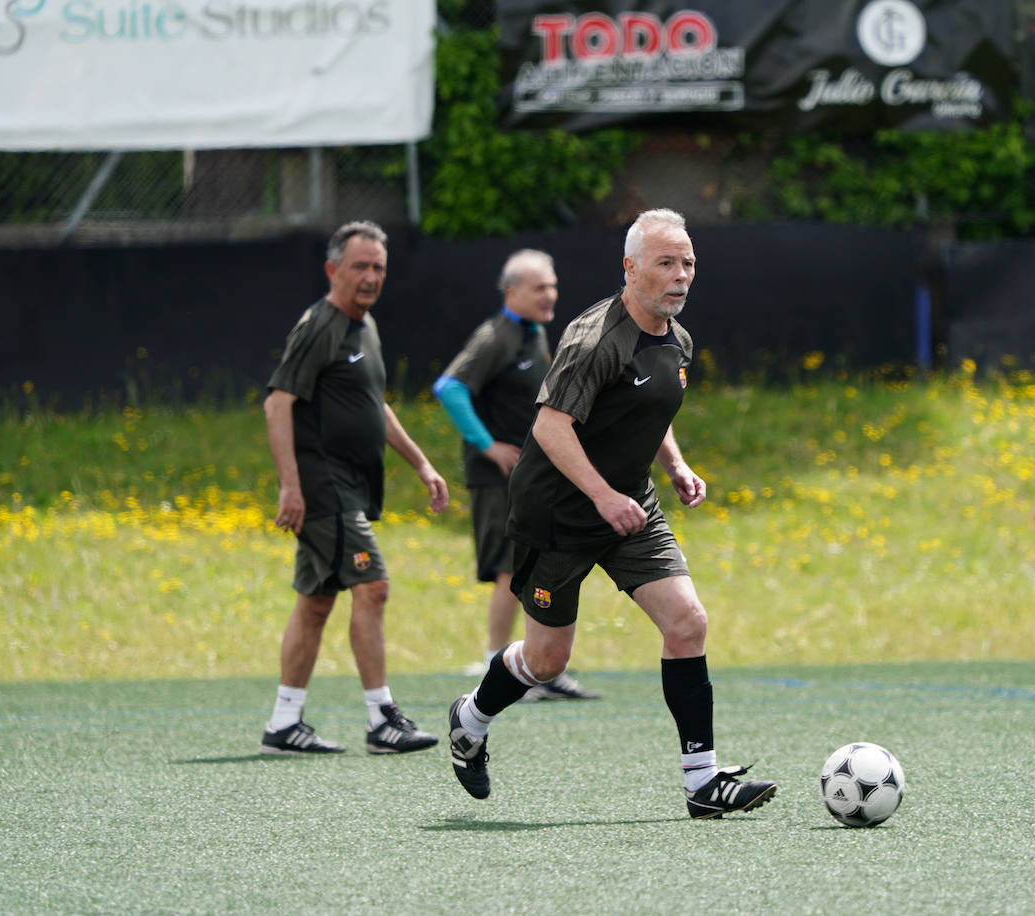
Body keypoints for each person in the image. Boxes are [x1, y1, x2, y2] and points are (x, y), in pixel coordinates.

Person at [445, 209, 778, 818]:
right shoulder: (593, 338)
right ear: (630, 268)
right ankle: (470, 717)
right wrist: (600, 496)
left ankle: (701, 783)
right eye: (666, 264)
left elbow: (649, 412)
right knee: (547, 661)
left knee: (687, 623)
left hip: (632, 507)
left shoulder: (677, 340)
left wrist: (675, 466)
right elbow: (550, 427)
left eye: (689, 264)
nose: (681, 277)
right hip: (559, 516)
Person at [260, 220, 449, 756]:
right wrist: (290, 487)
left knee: (317, 602)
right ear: (332, 270)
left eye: (379, 268)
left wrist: (421, 464)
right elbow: (278, 403)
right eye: (360, 266)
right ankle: (382, 719)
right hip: (324, 489)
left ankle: (283, 724)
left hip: (347, 486)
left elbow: (374, 406)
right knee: (373, 588)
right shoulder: (322, 324)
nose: (370, 277)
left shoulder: (364, 326)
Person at [432, 249, 599, 701]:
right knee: (510, 568)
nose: (551, 295)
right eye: (540, 287)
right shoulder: (496, 336)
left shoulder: (535, 333)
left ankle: (541, 665)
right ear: (513, 292)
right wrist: (487, 446)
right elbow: (448, 388)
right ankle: (498, 667)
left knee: (540, 562)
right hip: (499, 478)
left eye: (553, 285)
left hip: (533, 477)